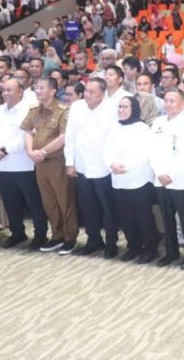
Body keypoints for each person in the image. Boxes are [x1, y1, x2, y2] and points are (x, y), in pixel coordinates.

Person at [0, 79, 49, 249]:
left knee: (33, 202)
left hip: (23, 165)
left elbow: (28, 136)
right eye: (3, 90)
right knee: (10, 202)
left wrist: (5, 150)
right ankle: (17, 233)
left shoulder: (29, 109)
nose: (5, 93)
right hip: (1, 165)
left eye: (9, 90)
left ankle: (40, 235)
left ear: (20, 91)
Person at [21, 77, 77, 254]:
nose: (37, 91)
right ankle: (57, 235)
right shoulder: (34, 110)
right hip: (40, 163)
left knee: (64, 200)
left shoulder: (63, 110)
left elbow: (63, 136)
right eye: (36, 87)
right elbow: (28, 131)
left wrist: (43, 152)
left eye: (42, 87)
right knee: (49, 202)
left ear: (53, 90)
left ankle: (70, 237)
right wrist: (30, 152)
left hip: (57, 162)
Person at [65, 77, 118, 258]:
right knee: (87, 207)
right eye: (86, 91)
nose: (87, 95)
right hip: (82, 165)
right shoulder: (77, 107)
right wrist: (69, 162)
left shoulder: (112, 109)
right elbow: (70, 136)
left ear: (102, 93)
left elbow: (114, 140)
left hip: (104, 167)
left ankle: (111, 242)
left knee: (108, 208)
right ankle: (93, 240)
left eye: (91, 92)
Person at [150, 89, 184, 270]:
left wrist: (171, 175)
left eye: (173, 101)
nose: (169, 104)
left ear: (182, 104)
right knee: (167, 218)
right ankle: (171, 252)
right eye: (167, 100)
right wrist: (159, 173)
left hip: (180, 181)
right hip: (160, 179)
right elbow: (152, 151)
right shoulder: (157, 123)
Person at [103, 96, 158, 264]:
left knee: (143, 216)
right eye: (119, 107)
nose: (121, 110)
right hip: (119, 180)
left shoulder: (142, 128)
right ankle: (133, 246)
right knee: (126, 217)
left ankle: (150, 249)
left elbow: (146, 153)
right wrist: (112, 164)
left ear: (133, 108)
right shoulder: (114, 127)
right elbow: (106, 150)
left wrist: (125, 166)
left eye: (125, 107)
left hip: (138, 179)